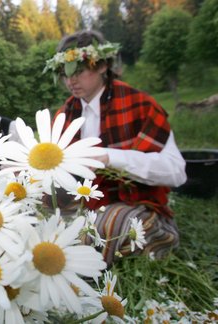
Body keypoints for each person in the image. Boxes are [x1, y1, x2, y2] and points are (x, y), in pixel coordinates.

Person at [46, 30, 187, 265]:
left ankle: (80, 257)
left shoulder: (140, 105)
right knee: (33, 215)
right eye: (64, 73)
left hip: (135, 206)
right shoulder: (65, 114)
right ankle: (74, 251)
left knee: (114, 223)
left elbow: (177, 172)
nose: (70, 81)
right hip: (85, 207)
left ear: (102, 66)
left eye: (78, 71)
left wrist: (110, 157)